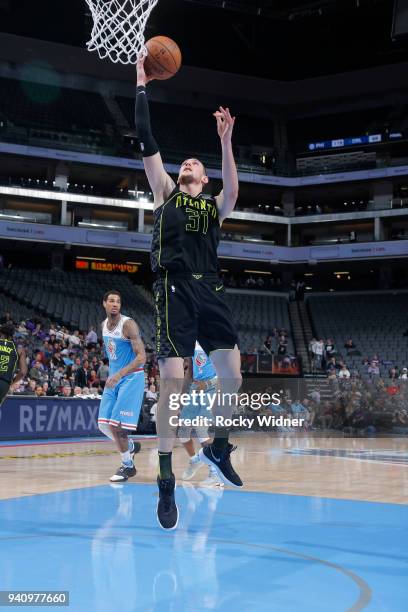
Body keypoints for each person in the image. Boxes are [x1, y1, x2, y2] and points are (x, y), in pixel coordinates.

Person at [136, 57, 242, 529]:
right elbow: (147, 139)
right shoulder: (164, 192)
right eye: (187, 163)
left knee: (233, 379)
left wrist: (225, 141)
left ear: (205, 178)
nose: (189, 164)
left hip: (211, 290)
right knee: (174, 384)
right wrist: (141, 84)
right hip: (173, 289)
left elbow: (234, 191)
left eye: (196, 164)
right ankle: (164, 477)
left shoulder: (214, 205)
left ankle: (218, 446)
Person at [98, 291, 145, 482]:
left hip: (131, 378)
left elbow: (142, 357)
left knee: (117, 427)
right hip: (115, 379)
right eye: (111, 301)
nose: (115, 304)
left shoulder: (128, 325)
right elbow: (114, 355)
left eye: (118, 301)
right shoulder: (103, 325)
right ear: (104, 304)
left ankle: (128, 466)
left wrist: (118, 374)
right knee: (103, 425)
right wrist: (113, 374)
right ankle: (131, 447)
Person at [180, 343, 223, 487]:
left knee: (200, 428)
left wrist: (208, 383)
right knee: (183, 431)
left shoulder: (213, 341)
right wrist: (182, 396)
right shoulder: (190, 342)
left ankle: (215, 474)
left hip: (212, 388)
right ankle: (194, 460)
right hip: (195, 388)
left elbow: (226, 373)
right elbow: (189, 372)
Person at [0, 323, 27, 405]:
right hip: (4, 383)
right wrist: (12, 382)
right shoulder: (19, 349)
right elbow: (23, 372)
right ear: (12, 335)